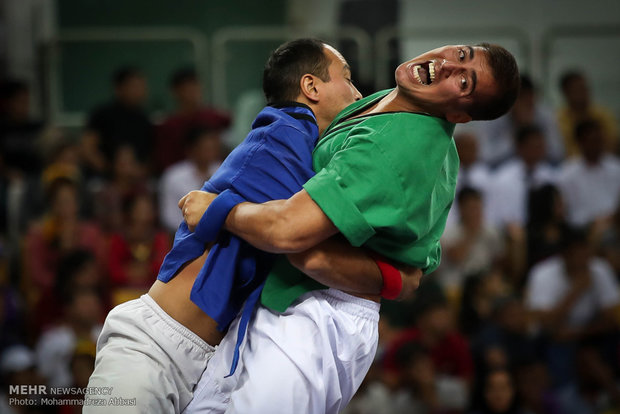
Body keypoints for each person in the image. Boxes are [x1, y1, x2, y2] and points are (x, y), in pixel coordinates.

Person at [86, 39, 422, 414]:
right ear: (311, 87)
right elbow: (292, 234)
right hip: (155, 345)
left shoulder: (314, 151)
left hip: (216, 362)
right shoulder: (282, 135)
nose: (358, 94)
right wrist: (395, 277)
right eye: (347, 79)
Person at [182, 42, 519, 413]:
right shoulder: (399, 107)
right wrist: (393, 277)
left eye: (465, 82)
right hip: (296, 296)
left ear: (460, 114)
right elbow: (417, 258)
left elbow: (288, 232)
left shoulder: (394, 149)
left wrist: (219, 208)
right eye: (461, 54)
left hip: (320, 312)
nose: (449, 66)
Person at [154, 67, 231, 173]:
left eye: (195, 86)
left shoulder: (215, 117)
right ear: (175, 92)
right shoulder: (169, 126)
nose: (192, 92)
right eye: (187, 88)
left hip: (215, 173)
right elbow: (165, 161)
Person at [81, 67, 153, 177]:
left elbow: (149, 155)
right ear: (119, 88)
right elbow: (88, 148)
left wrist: (137, 172)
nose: (140, 90)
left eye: (142, 86)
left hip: (135, 179)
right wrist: (109, 170)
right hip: (104, 177)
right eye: (134, 86)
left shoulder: (144, 118)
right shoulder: (102, 114)